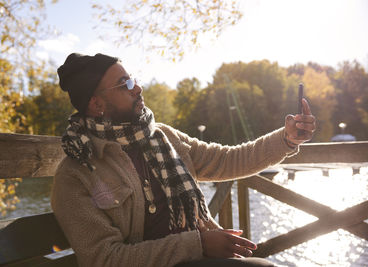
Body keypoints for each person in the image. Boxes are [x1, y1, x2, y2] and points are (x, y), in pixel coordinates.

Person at [52, 53, 316, 267]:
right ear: (97, 105)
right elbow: (105, 260)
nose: (138, 88)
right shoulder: (76, 174)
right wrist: (197, 244)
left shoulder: (162, 136)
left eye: (133, 79)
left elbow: (226, 160)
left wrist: (287, 139)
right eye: (126, 84)